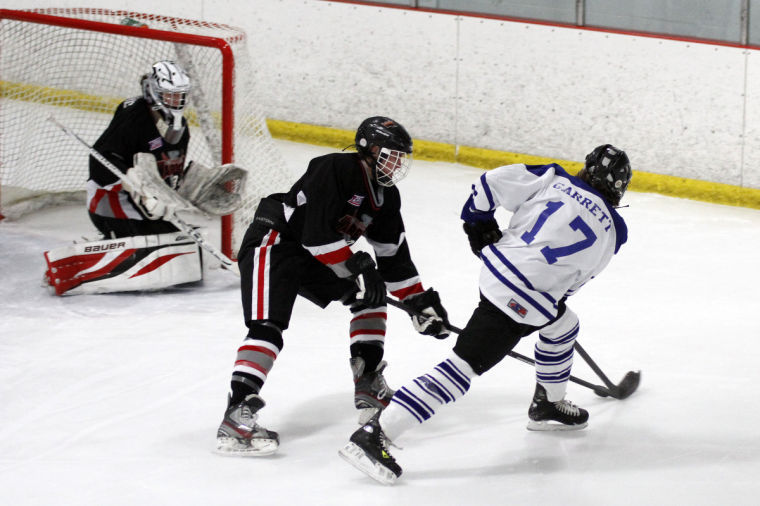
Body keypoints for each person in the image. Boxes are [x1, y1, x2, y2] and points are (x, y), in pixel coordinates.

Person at [339, 144, 633, 484]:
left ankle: (548, 405)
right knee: (461, 369)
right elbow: (578, 279)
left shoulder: (553, 176)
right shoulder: (616, 230)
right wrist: (548, 298)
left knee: (564, 325)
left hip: (498, 272)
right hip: (526, 301)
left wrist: (477, 222)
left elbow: (489, 183)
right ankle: (375, 435)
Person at [215, 116, 452, 456]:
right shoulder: (335, 168)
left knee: (372, 298)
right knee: (268, 327)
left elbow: (393, 257)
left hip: (317, 257)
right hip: (276, 243)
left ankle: (368, 383)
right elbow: (315, 236)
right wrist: (357, 266)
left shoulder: (386, 197)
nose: (398, 163)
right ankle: (236, 413)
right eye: (391, 154)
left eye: (402, 157)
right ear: (368, 150)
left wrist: (419, 302)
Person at [86, 60, 191, 238]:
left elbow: (170, 171)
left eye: (179, 96)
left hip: (148, 211)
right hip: (113, 206)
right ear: (154, 93)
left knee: (180, 241)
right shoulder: (133, 117)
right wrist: (130, 178)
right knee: (159, 244)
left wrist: (188, 188)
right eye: (169, 96)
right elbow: (100, 160)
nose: (176, 102)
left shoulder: (181, 129)